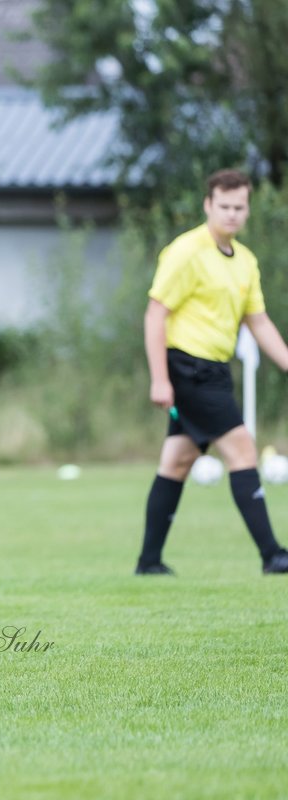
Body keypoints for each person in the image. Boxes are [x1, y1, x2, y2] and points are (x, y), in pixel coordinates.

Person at [135, 168, 288, 577]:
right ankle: (273, 555)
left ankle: (148, 562)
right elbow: (155, 314)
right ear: (208, 205)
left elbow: (258, 322)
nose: (233, 214)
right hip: (187, 368)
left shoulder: (246, 262)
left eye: (240, 207)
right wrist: (159, 378)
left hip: (216, 371)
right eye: (225, 206)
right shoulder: (185, 252)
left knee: (177, 462)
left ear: (248, 209)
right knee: (242, 449)